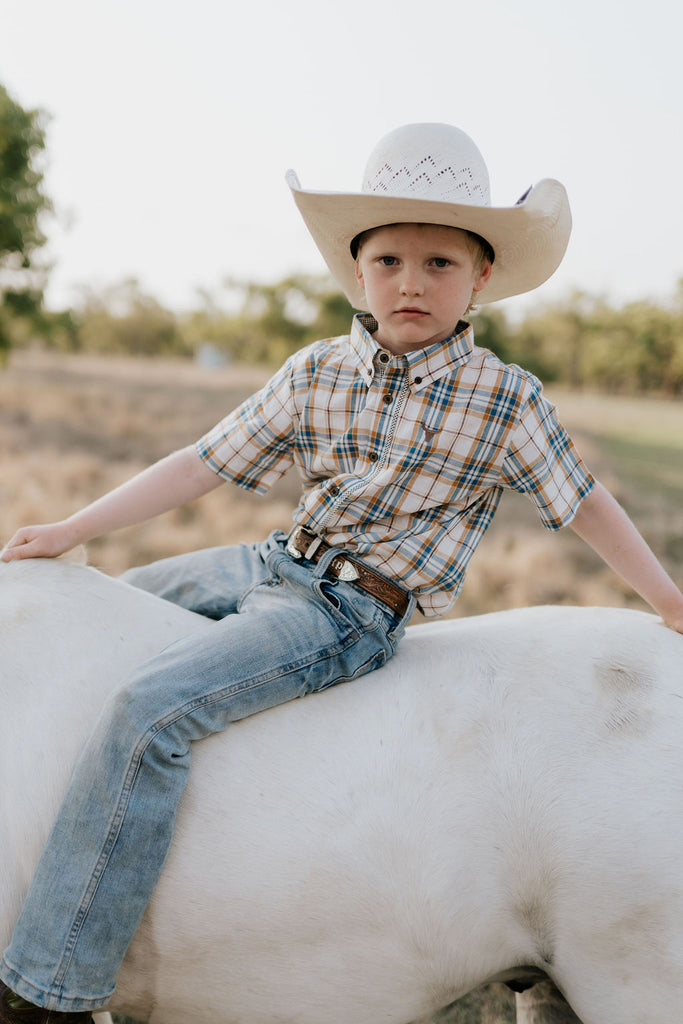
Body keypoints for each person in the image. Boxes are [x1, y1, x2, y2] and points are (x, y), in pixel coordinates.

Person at [1, 122, 682, 1024]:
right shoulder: (317, 370)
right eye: (390, 258)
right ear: (354, 271)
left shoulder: (504, 398)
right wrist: (74, 529)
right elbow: (202, 463)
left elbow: (583, 502)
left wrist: (668, 600)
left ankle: (52, 985)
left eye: (440, 263)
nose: (411, 281)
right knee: (95, 613)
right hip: (272, 565)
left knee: (147, 711)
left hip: (346, 611)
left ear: (480, 279)